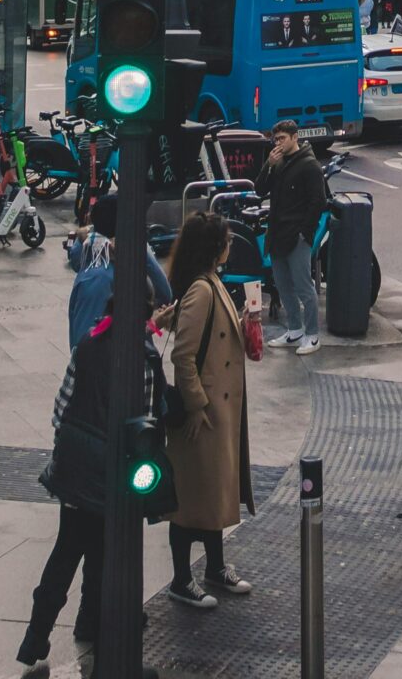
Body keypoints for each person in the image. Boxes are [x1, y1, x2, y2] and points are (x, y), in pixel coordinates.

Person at [17, 294, 166, 677]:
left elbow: (60, 407)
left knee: (65, 552)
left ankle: (35, 640)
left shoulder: (87, 344)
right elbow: (146, 427)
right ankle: (101, 649)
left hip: (75, 467)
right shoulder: (145, 360)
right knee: (101, 559)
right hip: (111, 477)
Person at [165, 210, 255, 612]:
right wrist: (197, 405)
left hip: (221, 410)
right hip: (204, 413)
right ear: (215, 247)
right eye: (227, 239)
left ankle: (215, 567)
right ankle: (182, 578)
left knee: (214, 491)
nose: (231, 245)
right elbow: (183, 356)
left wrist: (242, 321)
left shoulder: (210, 282)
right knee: (190, 499)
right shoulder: (202, 289)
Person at [66, 188, 172, 346]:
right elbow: (88, 346)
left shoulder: (105, 265)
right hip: (108, 369)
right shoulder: (99, 278)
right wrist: (152, 327)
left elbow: (165, 294)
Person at [256, 123, 325, 354]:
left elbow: (318, 202)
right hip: (277, 232)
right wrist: (268, 165)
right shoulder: (278, 163)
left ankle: (312, 334)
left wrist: (305, 233)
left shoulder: (309, 165)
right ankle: (294, 329)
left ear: (295, 137)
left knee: (304, 286)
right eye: (276, 139)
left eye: (283, 138)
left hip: (296, 235)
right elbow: (259, 190)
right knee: (283, 284)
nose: (278, 143)